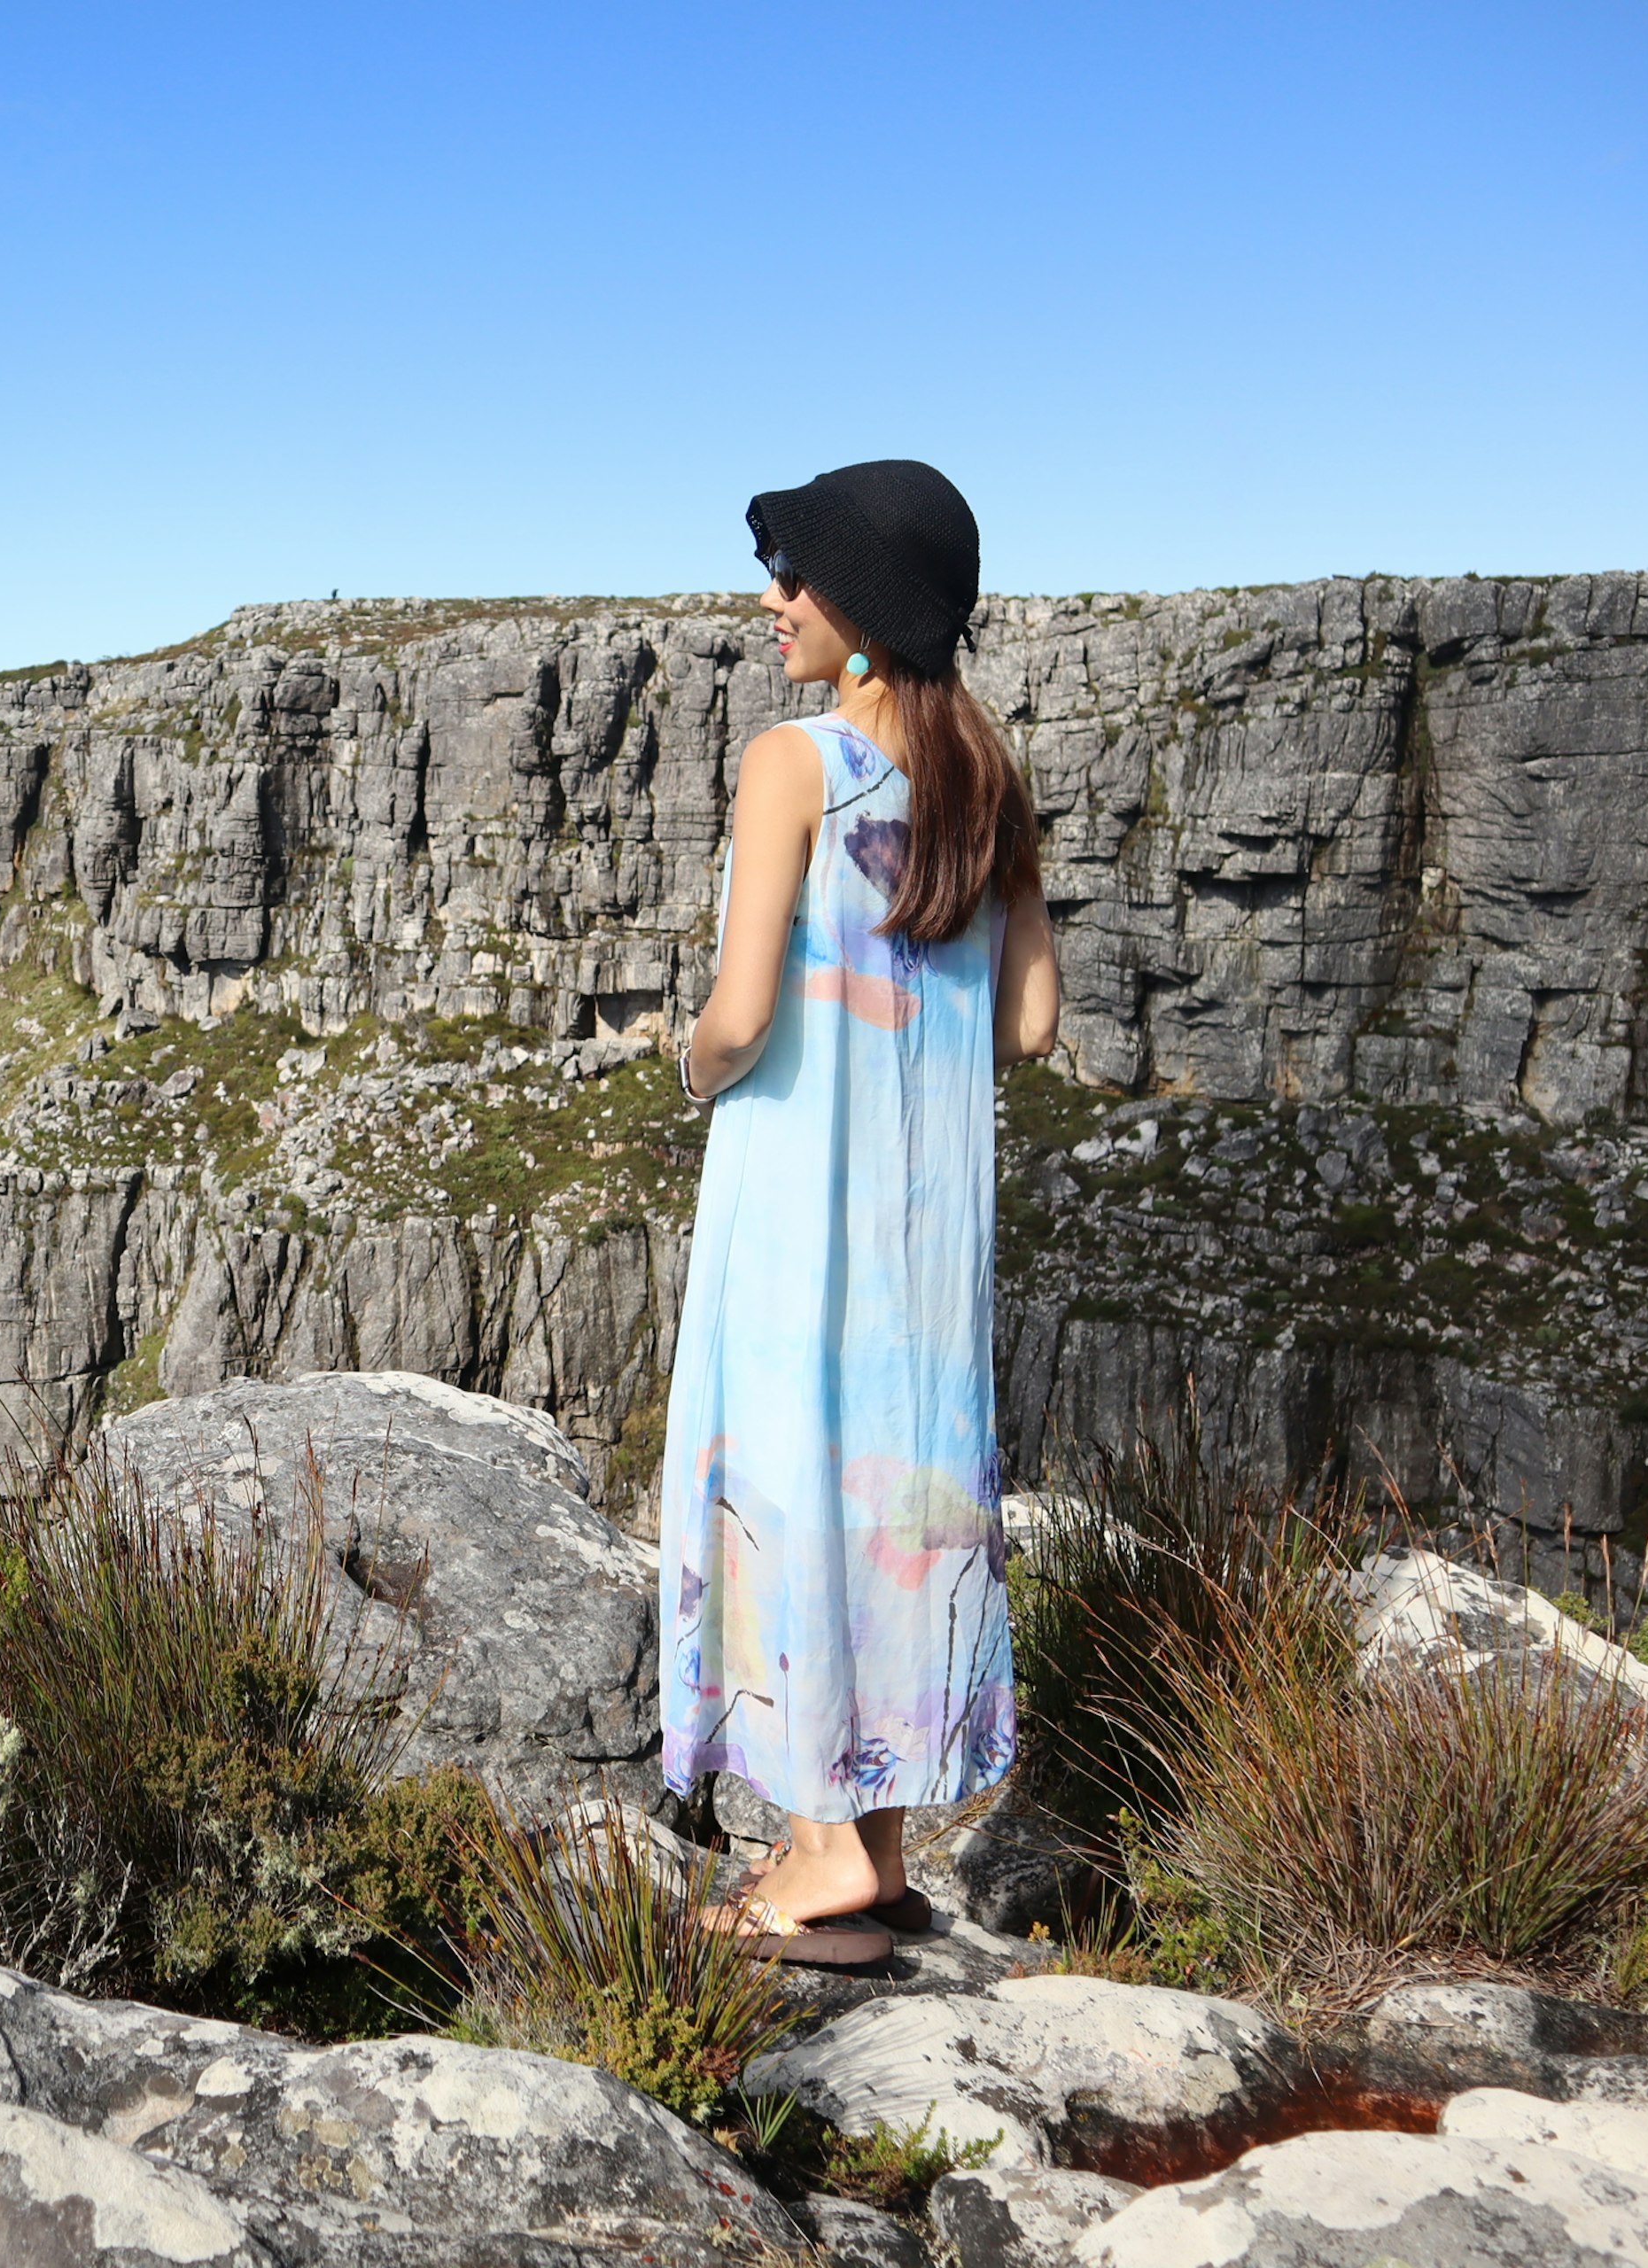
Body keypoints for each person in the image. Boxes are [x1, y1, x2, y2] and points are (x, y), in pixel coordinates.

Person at [660, 459, 1061, 1966]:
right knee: (891, 1505)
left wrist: (690, 1059)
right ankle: (873, 1849)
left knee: (785, 1486)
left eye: (798, 579)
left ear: (869, 615)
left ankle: (822, 1859)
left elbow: (743, 1014)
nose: (775, 604)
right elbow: (1028, 1023)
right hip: (926, 1230)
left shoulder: (796, 765)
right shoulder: (987, 779)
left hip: (796, 1207)